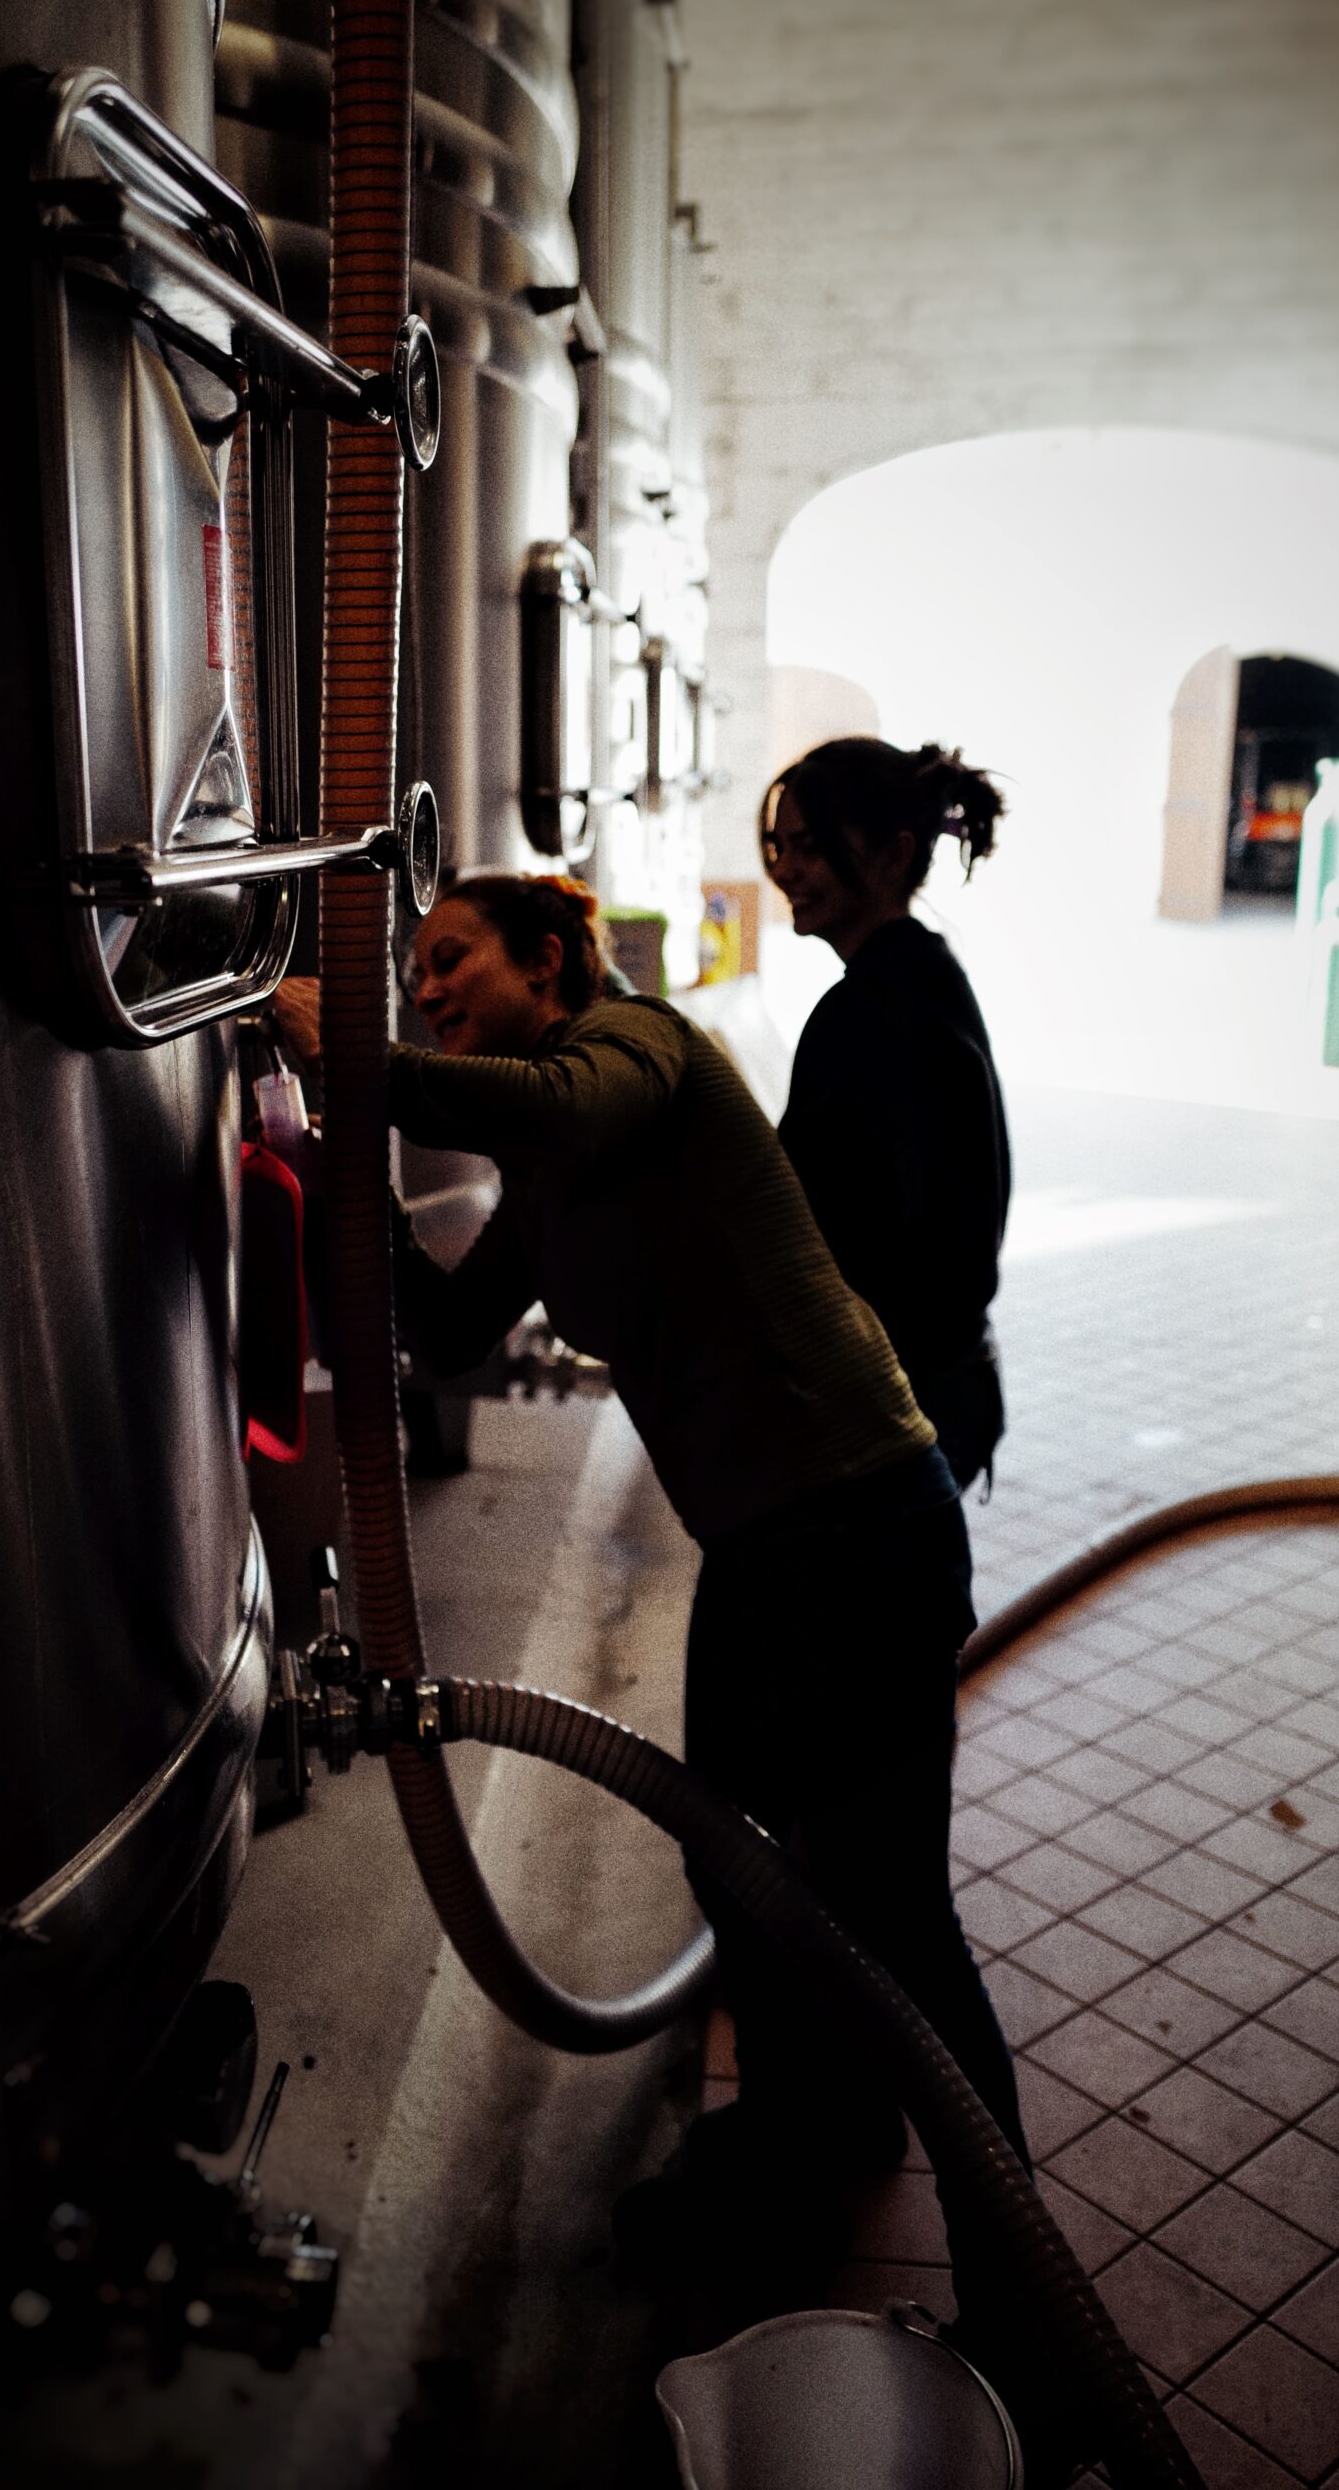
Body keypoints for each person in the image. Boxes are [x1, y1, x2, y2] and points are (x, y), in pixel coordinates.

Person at [272, 871, 1027, 2290]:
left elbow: (564, 1106)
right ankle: (813, 2130)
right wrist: (331, 1176)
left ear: (551, 963)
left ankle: (1015, 2288)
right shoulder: (542, 1177)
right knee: (735, 1855)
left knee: (891, 1909)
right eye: (414, 971)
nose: (424, 987)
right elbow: (449, 1330)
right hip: (761, 1545)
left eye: (452, 958)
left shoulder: (640, 1049)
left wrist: (358, 1063)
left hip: (860, 1519)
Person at [762, 739, 1010, 1493]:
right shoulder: (922, 975)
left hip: (892, 1412)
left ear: (895, 854)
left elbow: (822, 1232)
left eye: (811, 847)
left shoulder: (871, 1009)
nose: (785, 870)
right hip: (941, 1390)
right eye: (779, 847)